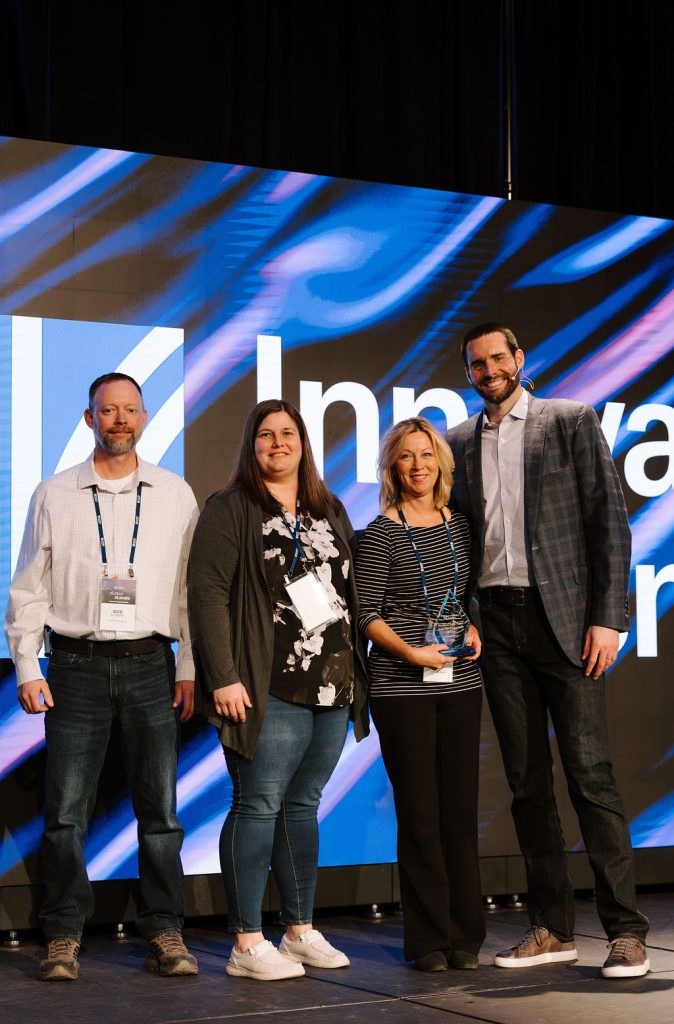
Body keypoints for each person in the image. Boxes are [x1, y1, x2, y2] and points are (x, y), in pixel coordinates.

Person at [446, 322, 650, 978]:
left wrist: (608, 618)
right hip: (496, 626)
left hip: (563, 622)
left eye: (497, 358)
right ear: (469, 373)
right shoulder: (458, 441)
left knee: (590, 775)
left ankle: (626, 931)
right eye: (477, 364)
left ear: (519, 358)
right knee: (527, 783)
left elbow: (608, 522)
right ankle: (552, 927)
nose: (489, 371)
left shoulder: (569, 420)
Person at [5, 372, 199, 981]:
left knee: (160, 811)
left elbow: (191, 593)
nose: (120, 420)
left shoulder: (174, 494)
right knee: (66, 812)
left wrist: (189, 667)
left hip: (150, 664)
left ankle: (164, 930)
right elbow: (28, 588)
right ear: (89, 419)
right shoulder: (54, 493)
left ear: (144, 418)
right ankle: (62, 934)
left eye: (130, 410)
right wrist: (27, 666)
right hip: (75, 667)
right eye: (108, 410)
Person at [187, 398, 368, 982]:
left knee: (302, 805)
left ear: (303, 443)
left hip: (332, 685)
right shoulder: (230, 507)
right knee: (258, 804)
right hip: (266, 685)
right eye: (265, 434)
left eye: (288, 433)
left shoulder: (328, 507)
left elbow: (350, 591)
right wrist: (223, 676)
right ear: (251, 444)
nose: (278, 443)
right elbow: (207, 595)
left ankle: (298, 931)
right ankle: (246, 941)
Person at [355, 417, 484, 972]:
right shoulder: (380, 532)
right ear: (393, 466)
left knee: (459, 811)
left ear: (441, 463)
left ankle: (466, 936)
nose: (418, 465)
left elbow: (467, 594)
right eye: (406, 456)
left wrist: (472, 625)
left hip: (461, 682)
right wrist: (412, 654)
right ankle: (429, 940)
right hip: (401, 686)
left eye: (426, 454)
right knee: (420, 813)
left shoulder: (461, 526)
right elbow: (366, 614)